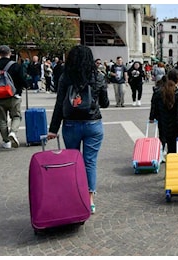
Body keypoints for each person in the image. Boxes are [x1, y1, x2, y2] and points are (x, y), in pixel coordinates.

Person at [47, 45, 110, 214]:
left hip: (71, 124)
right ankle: (89, 200)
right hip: (93, 124)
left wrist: (53, 129)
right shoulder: (98, 76)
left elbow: (60, 103)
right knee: (90, 162)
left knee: (73, 161)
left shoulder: (66, 77)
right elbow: (105, 103)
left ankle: (74, 194)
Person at [0, 45, 28, 149]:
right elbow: (22, 80)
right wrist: (26, 85)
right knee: (16, 116)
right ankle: (13, 132)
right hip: (13, 96)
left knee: (1, 120)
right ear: (10, 53)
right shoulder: (15, 66)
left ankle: (6, 141)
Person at [149, 69, 178, 154]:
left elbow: (154, 105)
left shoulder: (158, 92)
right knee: (174, 152)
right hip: (175, 128)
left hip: (163, 124)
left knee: (162, 143)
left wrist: (152, 117)